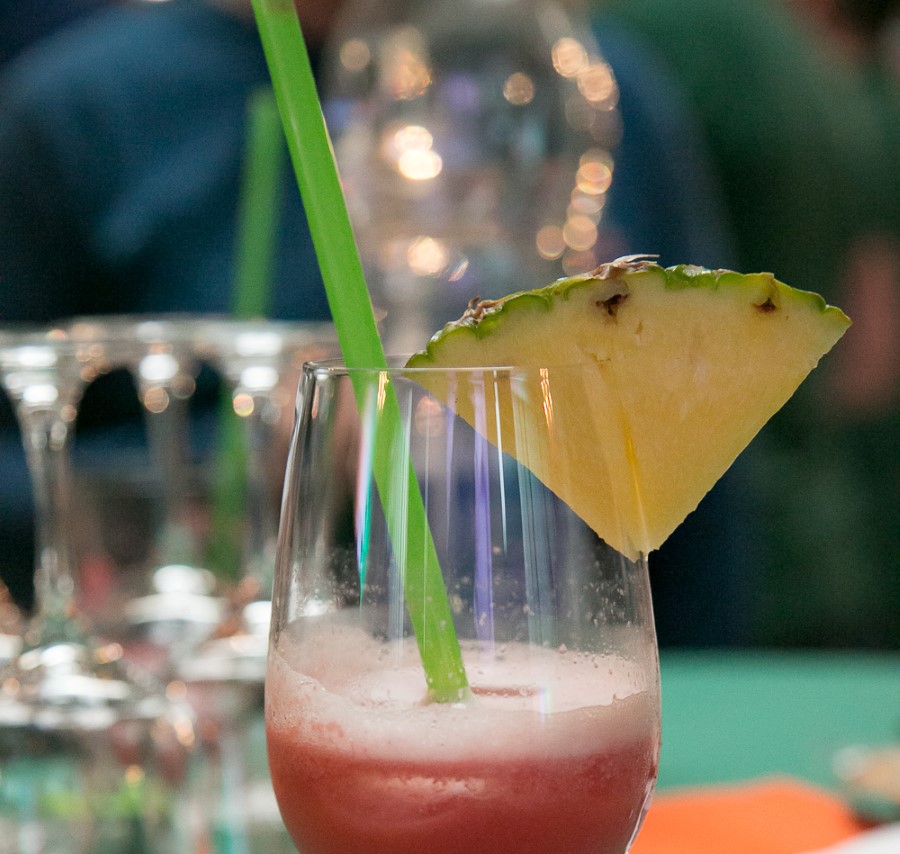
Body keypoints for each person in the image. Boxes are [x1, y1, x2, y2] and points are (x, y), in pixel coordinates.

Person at [0, 0, 747, 645]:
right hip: (207, 667)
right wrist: (256, 453)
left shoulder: (578, 80)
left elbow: (706, 436)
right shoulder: (81, 112)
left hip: (556, 640)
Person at [604, 0, 900, 648]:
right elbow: (871, 358)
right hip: (829, 536)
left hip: (723, 554)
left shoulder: (662, 39)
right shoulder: (820, 72)